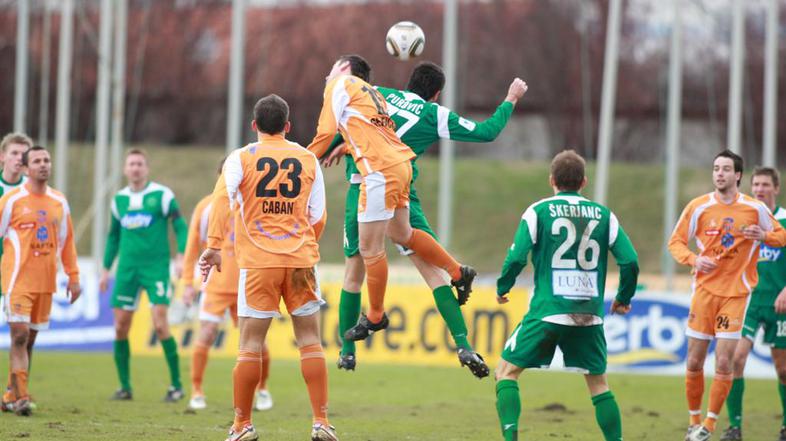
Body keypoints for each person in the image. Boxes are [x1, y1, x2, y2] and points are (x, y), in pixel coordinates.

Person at [319, 62, 527, 376]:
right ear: (436, 93)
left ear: (408, 81)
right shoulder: (434, 114)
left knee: (358, 266)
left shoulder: (381, 94)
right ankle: (463, 341)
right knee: (430, 270)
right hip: (402, 182)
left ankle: (348, 350)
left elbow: (348, 119)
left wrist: (337, 146)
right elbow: (487, 132)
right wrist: (511, 97)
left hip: (365, 183)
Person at [308, 54, 476, 342]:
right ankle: (457, 272)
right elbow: (369, 129)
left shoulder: (339, 85)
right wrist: (347, 146)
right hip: (400, 165)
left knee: (369, 249)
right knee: (404, 233)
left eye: (333, 66)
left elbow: (326, 132)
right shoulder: (371, 92)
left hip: (377, 173)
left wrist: (304, 160)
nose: (329, 72)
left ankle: (375, 315)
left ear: (345, 69)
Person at [200, 94, 336, 441]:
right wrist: (303, 244)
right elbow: (318, 216)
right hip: (300, 262)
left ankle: (242, 426)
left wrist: (214, 246)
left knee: (249, 344)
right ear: (288, 126)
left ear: (254, 125)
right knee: (309, 341)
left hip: (259, 263)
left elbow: (221, 200)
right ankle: (321, 422)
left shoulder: (241, 158)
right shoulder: (307, 158)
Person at [494, 150, 638, 441]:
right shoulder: (604, 215)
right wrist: (623, 298)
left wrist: (503, 286)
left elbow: (517, 258)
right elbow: (630, 261)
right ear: (583, 182)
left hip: (548, 310)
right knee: (599, 385)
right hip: (589, 314)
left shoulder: (538, 211)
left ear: (552, 180)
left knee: (505, 373)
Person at [669, 150, 786, 441]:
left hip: (736, 296)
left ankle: (709, 426)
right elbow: (676, 242)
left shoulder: (754, 208)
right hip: (704, 293)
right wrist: (694, 260)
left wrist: (764, 236)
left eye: (725, 169)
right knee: (694, 361)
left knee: (725, 362)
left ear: (737, 176)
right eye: (715, 168)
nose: (719, 173)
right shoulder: (699, 207)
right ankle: (693, 421)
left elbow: (782, 235)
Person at [181, 159, 273, 412]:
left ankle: (262, 389)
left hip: (247, 282)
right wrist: (188, 282)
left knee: (256, 342)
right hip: (215, 284)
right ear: (219, 176)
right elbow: (192, 248)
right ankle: (197, 390)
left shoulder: (253, 202)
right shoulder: (206, 207)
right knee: (207, 332)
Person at [99, 149, 188, 402]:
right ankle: (125, 387)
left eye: (140, 164)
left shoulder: (161, 195)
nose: (136, 168)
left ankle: (176, 385)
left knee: (160, 324)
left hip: (156, 268)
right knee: (120, 327)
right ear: (125, 169)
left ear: (146, 168)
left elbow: (180, 226)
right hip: (127, 269)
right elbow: (113, 237)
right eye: (131, 164)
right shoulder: (119, 200)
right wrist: (106, 270)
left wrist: (181, 256)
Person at [0, 145, 81, 416]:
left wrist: (74, 277)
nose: (44, 164)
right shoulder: (12, 200)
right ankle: (22, 398)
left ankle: (11, 394)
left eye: (47, 160)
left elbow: (67, 241)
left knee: (29, 339)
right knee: (19, 334)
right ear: (26, 168)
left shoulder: (59, 201)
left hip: (45, 282)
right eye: (37, 161)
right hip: (16, 281)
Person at [720, 167, 786, 441]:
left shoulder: (783, 220)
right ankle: (734, 427)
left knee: (783, 369)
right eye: (756, 184)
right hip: (748, 301)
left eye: (765, 185)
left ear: (776, 188)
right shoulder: (745, 220)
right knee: (735, 358)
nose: (759, 189)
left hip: (779, 304)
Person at [0, 132, 32, 412]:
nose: (18, 159)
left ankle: (15, 393)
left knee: (22, 335)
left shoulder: (35, 192)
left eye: (24, 155)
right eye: (13, 153)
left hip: (18, 275)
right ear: (2, 157)